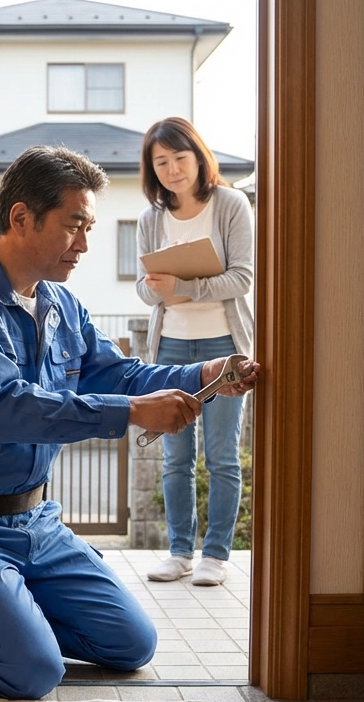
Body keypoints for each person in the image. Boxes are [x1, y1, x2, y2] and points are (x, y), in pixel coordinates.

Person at [0, 145, 258, 699]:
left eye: (89, 226)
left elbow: (119, 373)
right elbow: (4, 409)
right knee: (34, 674)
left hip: (37, 523)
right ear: (21, 218)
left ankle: (4, 612)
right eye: (74, 226)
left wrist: (204, 371)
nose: (85, 244)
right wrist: (132, 413)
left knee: (132, 645)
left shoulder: (63, 304)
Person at [134, 117, 256, 587]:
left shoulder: (230, 204)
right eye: (160, 162)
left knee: (222, 456)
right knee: (175, 457)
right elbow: (146, 294)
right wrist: (159, 289)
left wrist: (183, 285)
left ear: (198, 157)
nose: (171, 169)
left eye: (179, 158)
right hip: (169, 348)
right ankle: (180, 552)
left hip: (224, 345)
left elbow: (242, 278)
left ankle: (216, 556)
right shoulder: (150, 219)